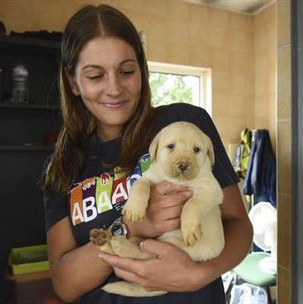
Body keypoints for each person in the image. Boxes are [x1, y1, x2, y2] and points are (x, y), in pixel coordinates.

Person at [41, 4, 253, 303]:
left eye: (126, 71)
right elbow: (64, 283)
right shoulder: (62, 165)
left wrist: (199, 275)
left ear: (141, 70)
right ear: (74, 82)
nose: (114, 88)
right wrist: (128, 227)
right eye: (95, 76)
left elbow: (238, 224)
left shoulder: (182, 126)